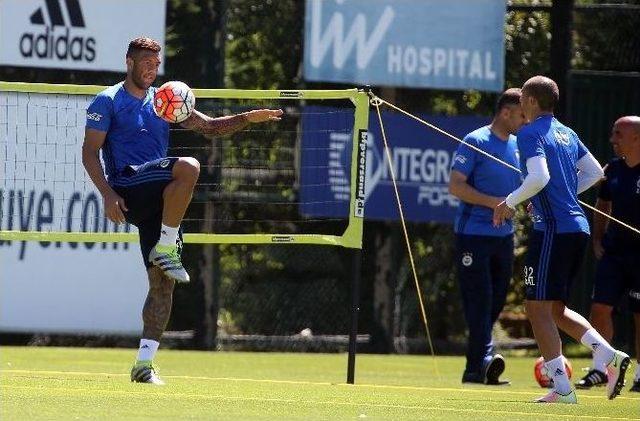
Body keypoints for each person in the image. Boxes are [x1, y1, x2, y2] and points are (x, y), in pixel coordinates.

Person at [82, 37, 283, 385]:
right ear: (129, 61)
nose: (151, 68)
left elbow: (210, 127)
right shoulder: (108, 100)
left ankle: (143, 366)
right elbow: (89, 152)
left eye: (156, 64)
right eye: (145, 62)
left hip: (160, 201)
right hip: (129, 186)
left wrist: (249, 118)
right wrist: (107, 193)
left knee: (163, 285)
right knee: (188, 166)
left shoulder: (164, 99)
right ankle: (167, 243)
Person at [493, 75, 631, 403]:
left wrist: (508, 202)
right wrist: (563, 192)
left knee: (536, 307)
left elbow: (539, 176)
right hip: (577, 228)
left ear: (529, 101)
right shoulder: (567, 133)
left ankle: (563, 387)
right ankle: (609, 358)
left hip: (553, 229)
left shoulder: (529, 133)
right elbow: (596, 172)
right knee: (555, 308)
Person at [448, 88, 525, 385]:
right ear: (505, 112)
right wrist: (496, 203)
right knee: (480, 301)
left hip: (504, 237)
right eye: (520, 115)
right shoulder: (475, 141)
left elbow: (522, 188)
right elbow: (456, 186)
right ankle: (484, 360)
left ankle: (474, 368)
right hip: (473, 235)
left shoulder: (519, 146)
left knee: (494, 303)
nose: (524, 121)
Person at [575, 116, 640, 393]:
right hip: (614, 252)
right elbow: (602, 205)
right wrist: (598, 239)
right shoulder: (611, 170)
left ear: (637, 137)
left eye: (618, 134)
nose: (612, 139)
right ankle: (601, 369)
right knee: (599, 309)